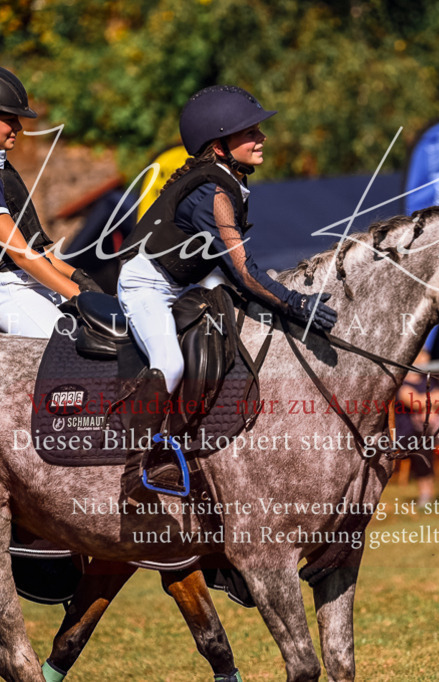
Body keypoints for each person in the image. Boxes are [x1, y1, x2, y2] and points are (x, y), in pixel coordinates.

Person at [117, 85, 338, 483]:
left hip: (186, 282)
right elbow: (245, 271)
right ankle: (138, 467)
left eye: (257, 130)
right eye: (249, 132)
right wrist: (295, 304)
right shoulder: (212, 193)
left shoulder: (225, 180)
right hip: (146, 285)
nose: (261, 137)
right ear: (219, 146)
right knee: (170, 364)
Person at [0, 63, 101, 338]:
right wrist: (76, 294)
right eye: (10, 119)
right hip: (9, 290)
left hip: (33, 281)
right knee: (68, 347)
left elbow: (38, 251)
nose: (18, 126)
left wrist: (78, 277)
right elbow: (19, 254)